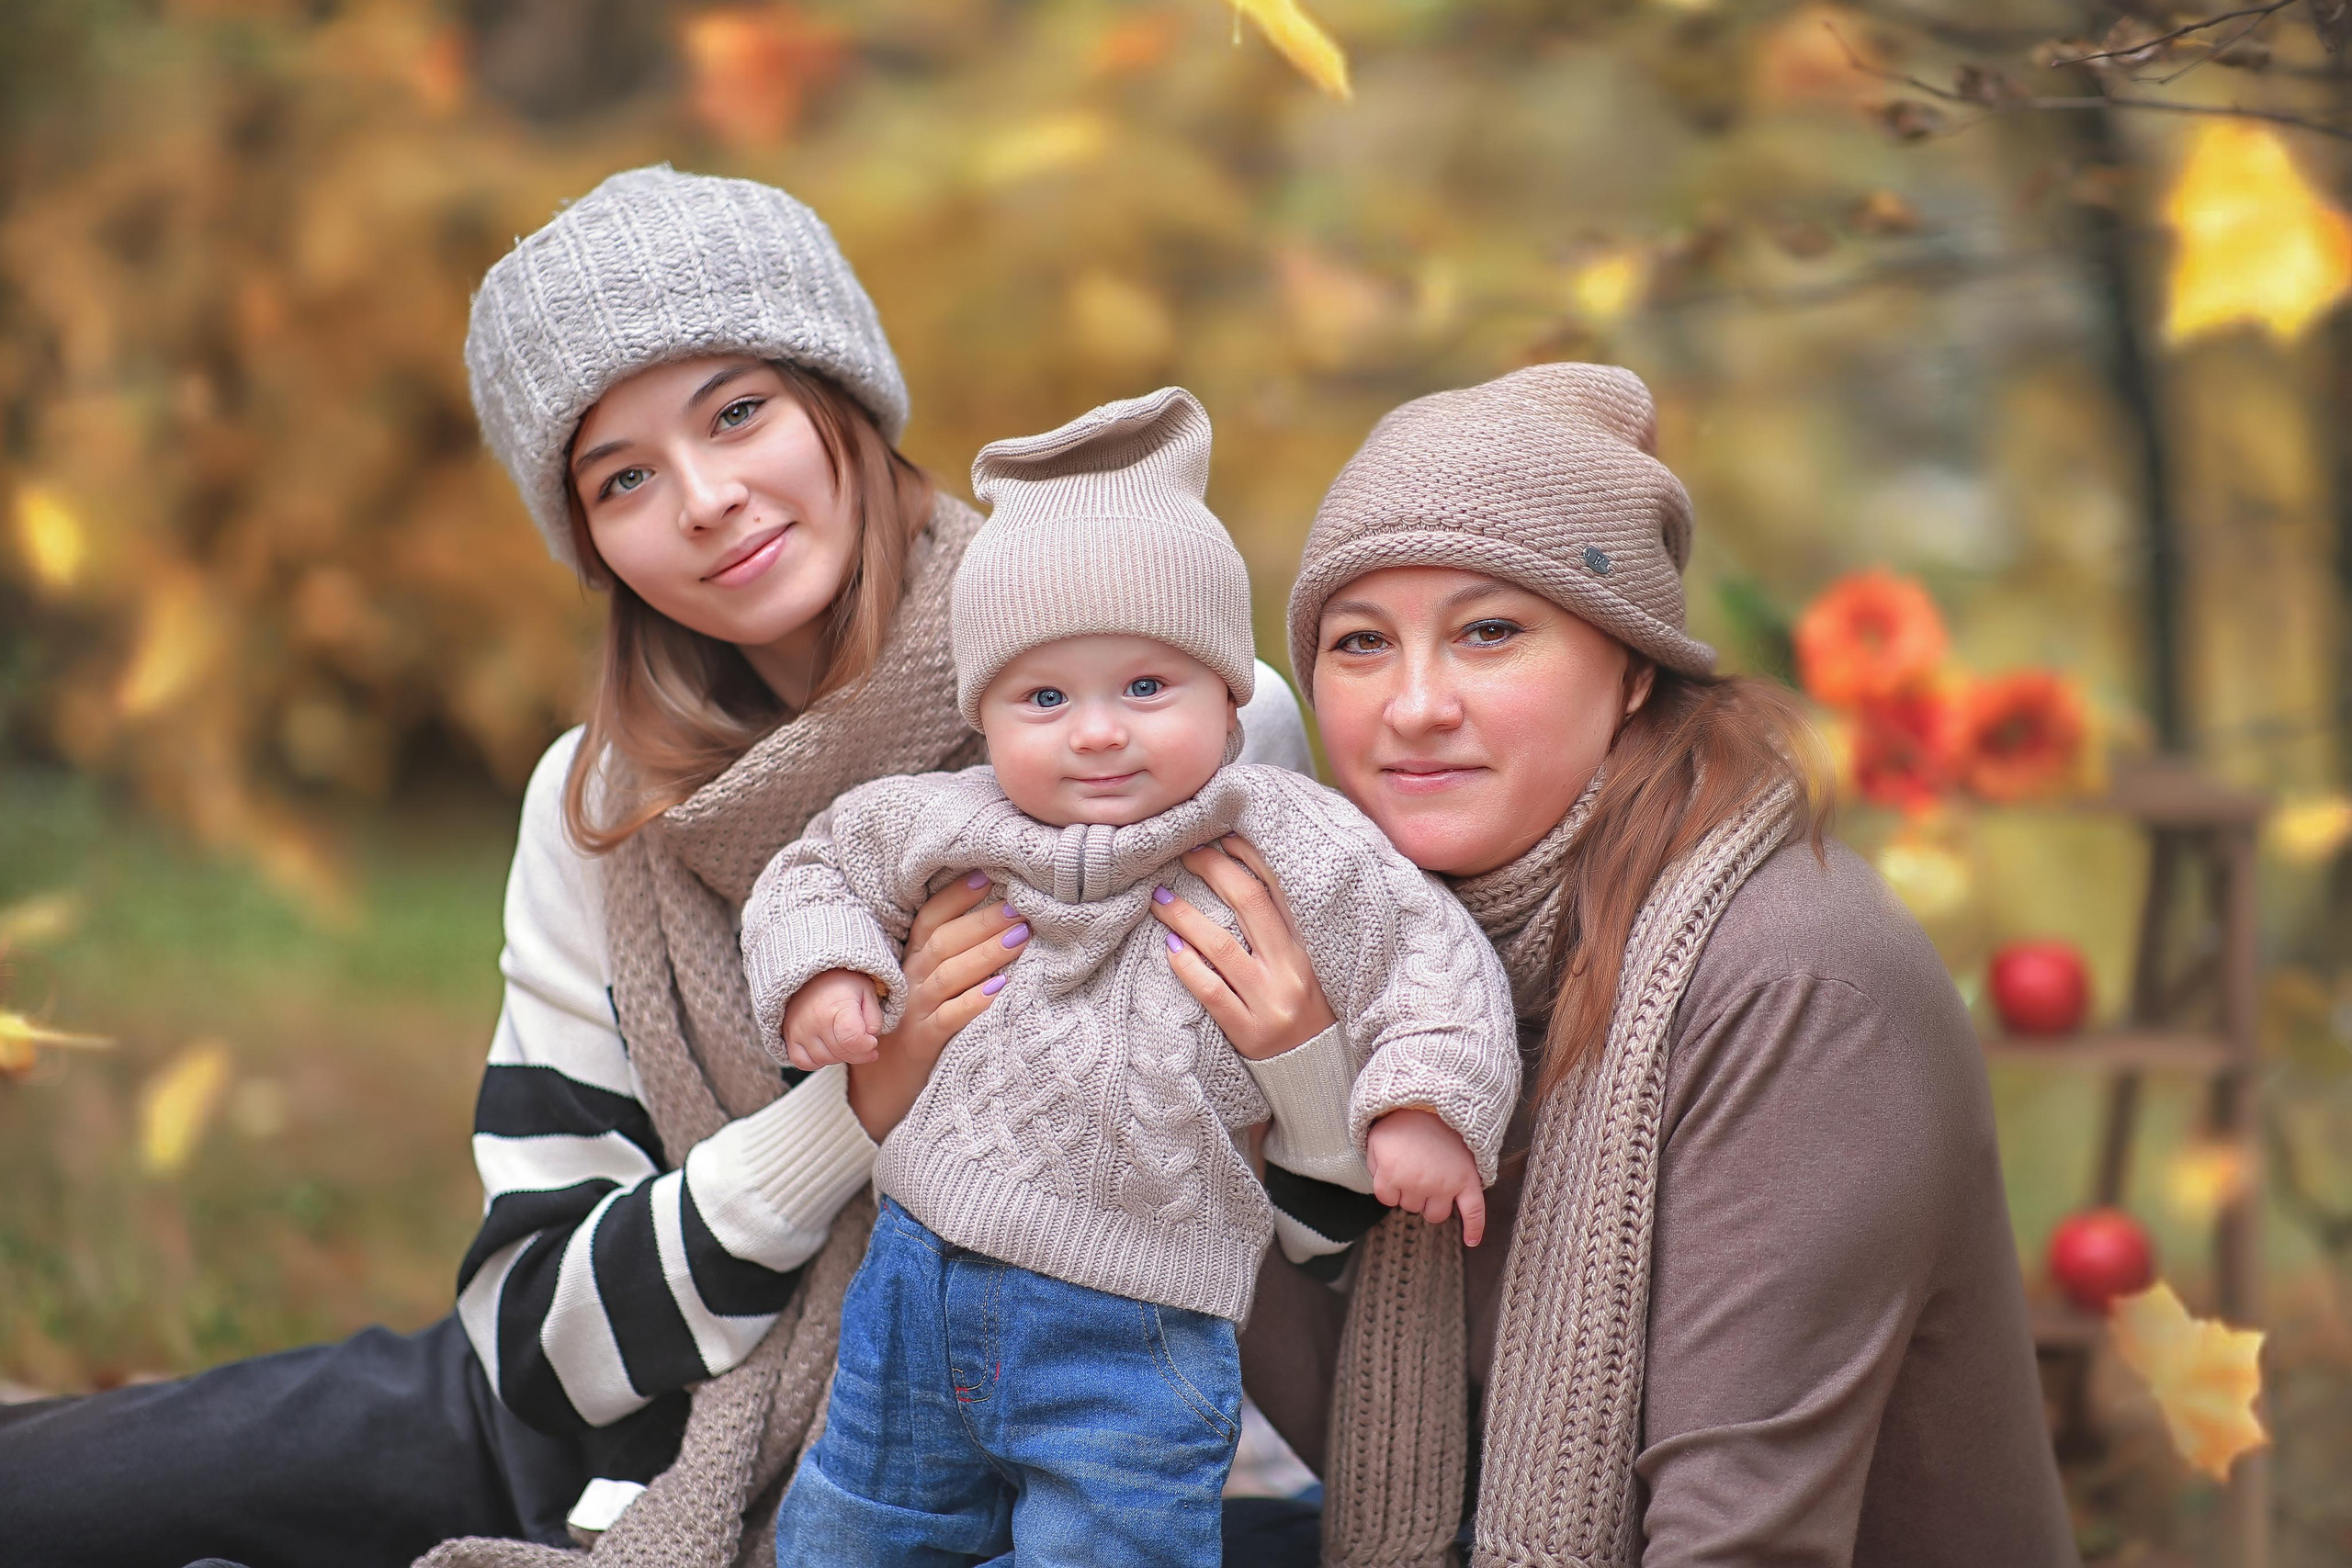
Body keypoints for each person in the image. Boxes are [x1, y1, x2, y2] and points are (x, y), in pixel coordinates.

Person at [0, 167, 1315, 1568]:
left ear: (844, 401)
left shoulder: (1169, 711)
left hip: (1012, 1458)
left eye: (738, 411)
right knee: (56, 1495)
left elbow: (1314, 1218)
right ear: (590, 542)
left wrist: (1302, 1060)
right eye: (622, 476)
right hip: (603, 1430)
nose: (705, 498)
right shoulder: (597, 807)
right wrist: (856, 1109)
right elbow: (533, 1334)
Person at [1176, 364, 2080, 1566]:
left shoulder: (1797, 979)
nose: (1414, 704)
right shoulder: (1395, 951)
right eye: (1360, 643)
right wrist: (1258, 1100)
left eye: (1490, 631)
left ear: (1633, 666)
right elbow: (1394, 1463)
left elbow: (1738, 1541)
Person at [741, 387, 1519, 1568]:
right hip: (915, 1278)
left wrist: (1426, 1102)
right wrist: (824, 971)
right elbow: (812, 872)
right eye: (1045, 698)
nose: (1097, 732)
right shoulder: (941, 818)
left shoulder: (1286, 838)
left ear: (1229, 697)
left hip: (1136, 1318)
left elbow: (1429, 956)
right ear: (985, 717)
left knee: (1111, 1543)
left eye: (1146, 688)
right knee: (859, 1526)